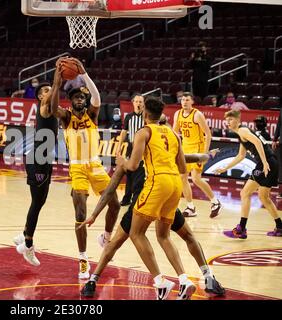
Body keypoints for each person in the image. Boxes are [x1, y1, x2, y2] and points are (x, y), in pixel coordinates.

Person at [79, 142, 225, 298]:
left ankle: (93, 281)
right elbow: (189, 158)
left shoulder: (127, 163)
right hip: (163, 199)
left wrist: (94, 214)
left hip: (141, 204)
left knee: (116, 242)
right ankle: (207, 277)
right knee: (184, 236)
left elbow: (109, 191)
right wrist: (208, 155)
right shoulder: (159, 155)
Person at [115, 97, 195, 300]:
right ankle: (184, 280)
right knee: (163, 236)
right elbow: (184, 168)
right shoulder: (172, 133)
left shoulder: (144, 132)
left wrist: (122, 161)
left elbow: (132, 166)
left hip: (157, 183)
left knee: (136, 233)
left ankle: (160, 281)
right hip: (176, 184)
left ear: (145, 114)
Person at [50, 57, 120, 279]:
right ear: (71, 101)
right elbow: (52, 108)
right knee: (80, 211)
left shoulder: (92, 114)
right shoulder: (66, 117)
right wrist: (57, 81)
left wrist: (84, 74)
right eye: (76, 97)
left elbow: (97, 97)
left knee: (115, 205)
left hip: (96, 165)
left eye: (82, 96)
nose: (80, 99)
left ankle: (106, 236)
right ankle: (82, 258)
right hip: (78, 168)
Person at [215, 110, 282, 238]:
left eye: (231, 119)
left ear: (238, 120)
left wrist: (264, 162)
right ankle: (280, 227)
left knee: (245, 193)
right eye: (226, 120)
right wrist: (225, 168)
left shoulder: (242, 131)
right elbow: (241, 156)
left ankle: (241, 229)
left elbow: (257, 142)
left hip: (266, 164)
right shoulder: (241, 134)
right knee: (264, 197)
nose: (228, 122)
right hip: (270, 163)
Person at [13, 79, 58, 266]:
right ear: (40, 96)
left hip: (44, 160)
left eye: (50, 89)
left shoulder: (52, 108)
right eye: (45, 90)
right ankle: (28, 244)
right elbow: (54, 92)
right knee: (37, 203)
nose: (49, 92)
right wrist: (58, 77)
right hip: (38, 161)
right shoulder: (43, 106)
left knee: (40, 202)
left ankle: (23, 235)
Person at [173, 92, 221, 218]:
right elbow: (175, 133)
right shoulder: (177, 114)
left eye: (187, 100)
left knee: (196, 179)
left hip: (197, 148)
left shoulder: (197, 115)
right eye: (183, 99)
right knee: (182, 177)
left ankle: (215, 202)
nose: (184, 102)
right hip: (185, 148)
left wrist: (204, 154)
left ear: (192, 101)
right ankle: (190, 207)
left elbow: (208, 134)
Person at [116, 94, 145, 206]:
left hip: (142, 148)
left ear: (143, 104)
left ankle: (137, 198)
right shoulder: (128, 117)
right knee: (129, 174)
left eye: (140, 102)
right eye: (136, 101)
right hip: (131, 147)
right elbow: (124, 132)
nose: (138, 104)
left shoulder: (146, 117)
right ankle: (127, 198)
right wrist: (119, 146)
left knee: (140, 174)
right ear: (133, 103)